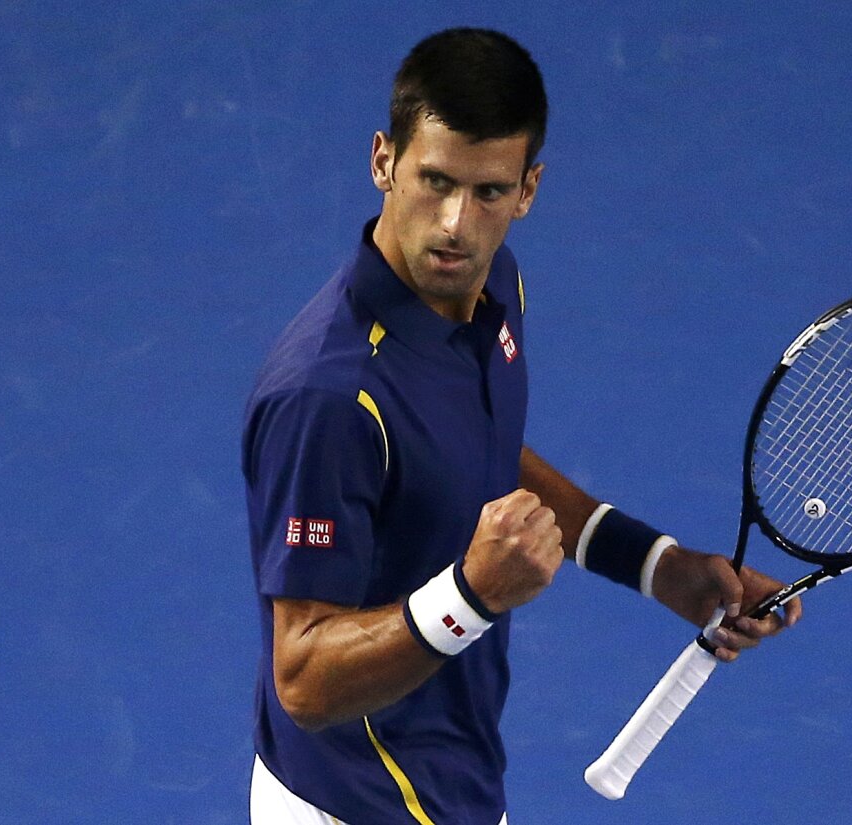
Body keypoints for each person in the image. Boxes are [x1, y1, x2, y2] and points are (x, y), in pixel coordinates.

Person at [243, 27, 802, 825]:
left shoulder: (492, 285)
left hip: (449, 780)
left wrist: (656, 564)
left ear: (529, 188)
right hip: (356, 804)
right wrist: (471, 595)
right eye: (433, 181)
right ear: (382, 161)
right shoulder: (329, 398)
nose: (454, 226)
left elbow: (472, 453)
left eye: (488, 192)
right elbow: (299, 678)